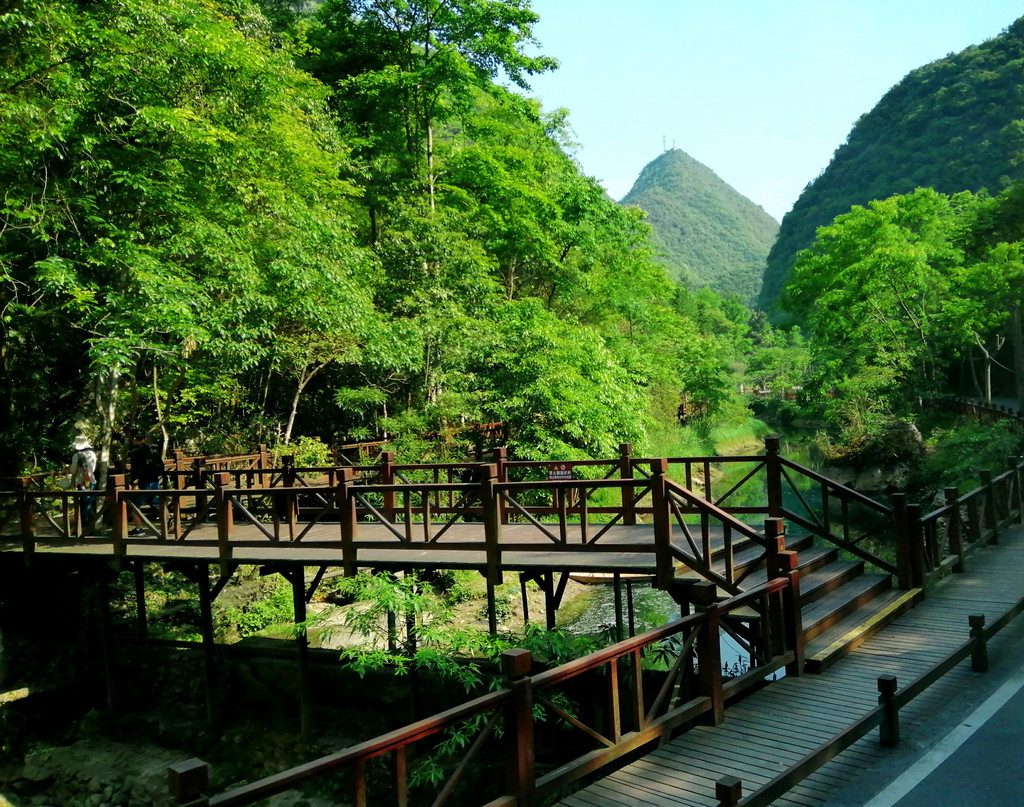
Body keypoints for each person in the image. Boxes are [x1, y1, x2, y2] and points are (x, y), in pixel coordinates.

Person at [128, 431, 163, 536]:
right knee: (158, 503)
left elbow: (136, 469)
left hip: (142, 481)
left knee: (135, 505)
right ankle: (168, 522)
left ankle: (139, 529)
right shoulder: (153, 448)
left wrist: (134, 482)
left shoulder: (136, 451)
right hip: (154, 479)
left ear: (134, 439)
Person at [70, 435, 98, 524]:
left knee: (84, 505)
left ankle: (91, 524)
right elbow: (93, 468)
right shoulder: (92, 454)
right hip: (92, 480)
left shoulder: (76, 456)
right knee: (90, 503)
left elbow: (73, 470)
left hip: (81, 482)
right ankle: (90, 525)